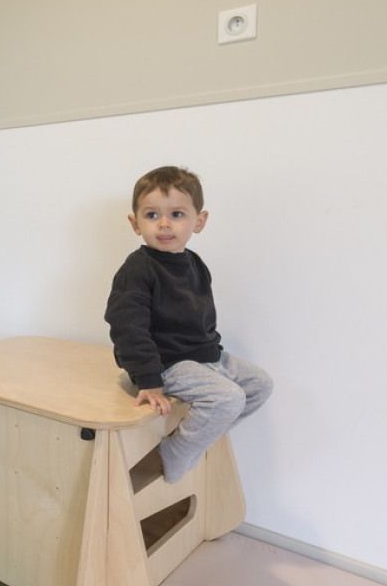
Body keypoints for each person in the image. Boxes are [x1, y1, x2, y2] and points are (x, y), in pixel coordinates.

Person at [104, 166, 272, 483]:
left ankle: (194, 440)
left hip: (203, 356)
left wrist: (215, 359)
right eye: (152, 215)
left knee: (260, 384)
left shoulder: (194, 263)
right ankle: (174, 453)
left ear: (199, 221)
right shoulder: (137, 269)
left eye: (177, 214)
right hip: (167, 362)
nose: (165, 224)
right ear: (135, 223)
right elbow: (127, 327)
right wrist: (148, 379)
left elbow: (201, 318)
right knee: (228, 398)